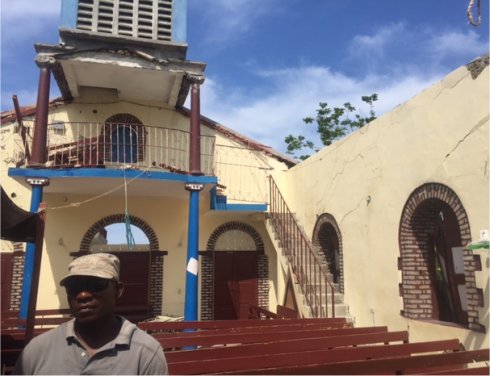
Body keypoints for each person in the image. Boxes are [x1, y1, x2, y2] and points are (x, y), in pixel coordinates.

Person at [13, 253, 168, 375]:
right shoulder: (37, 350)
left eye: (95, 285)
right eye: (74, 287)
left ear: (118, 290)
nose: (83, 295)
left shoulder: (146, 353)